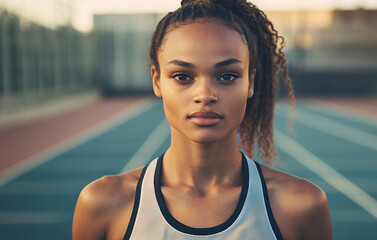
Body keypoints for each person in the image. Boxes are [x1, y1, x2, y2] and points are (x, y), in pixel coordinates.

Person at [72, 0, 333, 239]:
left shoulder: (301, 206)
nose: (205, 95)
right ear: (156, 80)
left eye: (227, 76)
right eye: (183, 76)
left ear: (251, 82)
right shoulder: (102, 204)